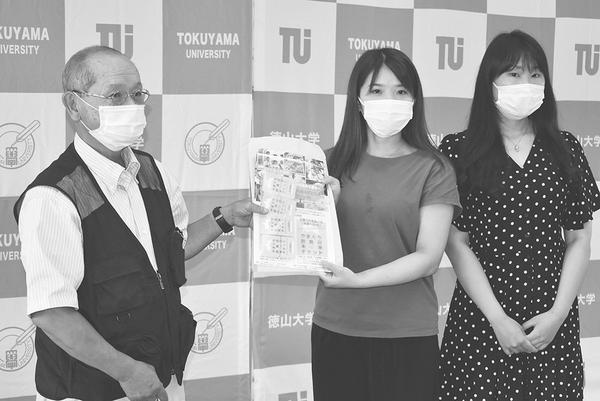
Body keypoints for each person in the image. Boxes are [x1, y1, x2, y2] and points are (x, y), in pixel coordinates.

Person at [14, 46, 267, 401]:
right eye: (115, 96)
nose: (131, 105)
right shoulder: (53, 196)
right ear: (74, 106)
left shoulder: (151, 171)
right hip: (93, 389)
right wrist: (127, 372)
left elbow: (172, 247)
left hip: (159, 377)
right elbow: (52, 313)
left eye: (136, 94)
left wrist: (224, 218)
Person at [438, 30, 600, 400]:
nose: (526, 83)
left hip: (551, 322)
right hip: (481, 319)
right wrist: (497, 318)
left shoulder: (566, 148)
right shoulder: (459, 149)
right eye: (513, 74)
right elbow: (456, 243)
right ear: (490, 82)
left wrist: (558, 314)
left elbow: (579, 237)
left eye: (535, 74)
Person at [312, 48, 461, 401]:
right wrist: (326, 207)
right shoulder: (326, 164)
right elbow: (307, 244)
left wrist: (358, 280)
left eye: (400, 91)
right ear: (358, 99)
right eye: (376, 91)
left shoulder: (434, 168)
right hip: (336, 328)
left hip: (406, 334)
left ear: (414, 100)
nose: (389, 100)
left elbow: (428, 257)